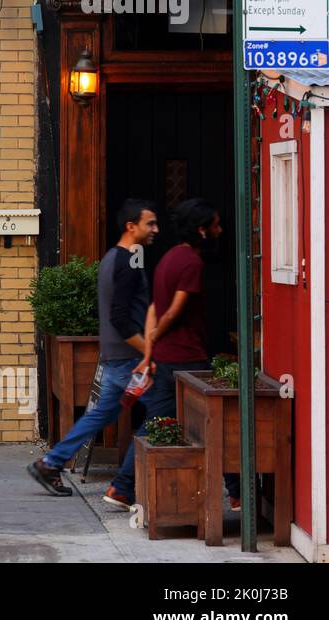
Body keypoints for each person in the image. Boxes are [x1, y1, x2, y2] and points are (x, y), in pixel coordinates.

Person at [27, 199, 158, 496]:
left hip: (116, 357)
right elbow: (122, 320)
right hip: (129, 359)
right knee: (164, 411)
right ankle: (125, 485)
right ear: (131, 226)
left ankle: (51, 463)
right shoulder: (125, 264)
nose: (155, 229)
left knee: (100, 416)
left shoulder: (112, 258)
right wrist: (149, 353)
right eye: (150, 223)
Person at [105, 197, 229, 511]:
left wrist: (149, 350)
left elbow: (151, 309)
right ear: (202, 230)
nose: (220, 230)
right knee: (211, 422)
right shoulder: (191, 263)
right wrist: (156, 339)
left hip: (168, 355)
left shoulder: (168, 258)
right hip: (186, 357)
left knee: (164, 420)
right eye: (215, 225)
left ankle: (124, 486)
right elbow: (172, 311)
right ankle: (123, 486)